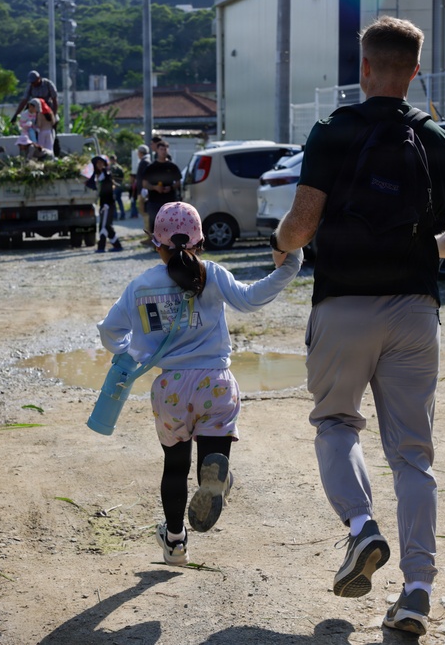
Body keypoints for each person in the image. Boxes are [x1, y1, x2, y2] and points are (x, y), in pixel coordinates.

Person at [271, 16, 445, 637]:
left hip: (342, 306)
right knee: (413, 455)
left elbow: (302, 225)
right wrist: (417, 250)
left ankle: (362, 530)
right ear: (415, 72)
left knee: (336, 423)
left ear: (364, 68)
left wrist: (281, 245)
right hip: (416, 311)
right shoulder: (437, 139)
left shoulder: (333, 130)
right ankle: (416, 593)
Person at [97, 202, 302, 566]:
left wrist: (133, 352)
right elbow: (251, 298)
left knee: (174, 466)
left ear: (155, 243)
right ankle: (215, 478)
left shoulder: (140, 286)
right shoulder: (211, 274)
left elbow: (109, 332)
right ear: (200, 242)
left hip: (170, 389)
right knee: (213, 457)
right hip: (216, 384)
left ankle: (175, 541)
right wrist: (291, 264)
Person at [141, 140, 181, 232]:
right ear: (157, 150)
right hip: (154, 201)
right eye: (161, 149)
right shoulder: (151, 167)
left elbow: (178, 182)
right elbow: (144, 183)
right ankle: (156, 245)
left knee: (170, 227)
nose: (163, 151)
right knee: (155, 227)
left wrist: (170, 187)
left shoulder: (172, 166)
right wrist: (155, 187)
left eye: (165, 149)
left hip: (169, 202)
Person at [91, 155, 122, 252]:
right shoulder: (97, 175)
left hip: (107, 204)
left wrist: (106, 204)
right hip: (104, 204)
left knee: (104, 226)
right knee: (106, 225)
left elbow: (108, 188)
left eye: (101, 163)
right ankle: (116, 245)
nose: (99, 165)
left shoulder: (106, 174)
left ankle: (102, 247)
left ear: (104, 164)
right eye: (98, 163)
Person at [132, 144, 150, 228]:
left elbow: (145, 176)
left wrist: (144, 188)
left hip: (143, 191)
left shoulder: (145, 162)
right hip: (142, 190)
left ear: (141, 152)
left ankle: (149, 233)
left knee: (145, 211)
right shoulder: (144, 161)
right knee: (143, 211)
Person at [108, 155, 126, 220]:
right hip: (120, 185)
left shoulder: (112, 167)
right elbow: (123, 177)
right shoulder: (120, 167)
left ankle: (115, 216)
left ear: (112, 160)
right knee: (119, 200)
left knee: (113, 201)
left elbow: (110, 177)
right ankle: (123, 215)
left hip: (114, 185)